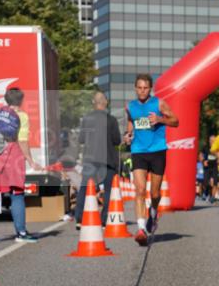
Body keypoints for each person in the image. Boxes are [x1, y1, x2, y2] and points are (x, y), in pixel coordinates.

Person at [0, 87, 41, 244]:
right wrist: (31, 161)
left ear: (6, 100)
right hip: (13, 158)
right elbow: (23, 141)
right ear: (21, 101)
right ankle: (21, 233)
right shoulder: (21, 116)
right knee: (17, 195)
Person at [124, 74, 178, 245]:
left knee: (154, 193)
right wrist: (128, 135)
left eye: (145, 88)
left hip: (157, 151)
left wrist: (160, 119)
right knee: (139, 190)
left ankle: (153, 212)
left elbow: (176, 121)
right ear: (135, 88)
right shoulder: (130, 106)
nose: (142, 91)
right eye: (139, 87)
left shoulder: (158, 103)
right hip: (138, 151)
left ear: (150, 89)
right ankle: (141, 229)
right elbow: (131, 123)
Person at [73, 91, 122, 228]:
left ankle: (80, 219)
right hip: (107, 160)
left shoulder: (86, 119)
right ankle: (104, 220)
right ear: (105, 103)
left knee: (85, 188)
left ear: (93, 103)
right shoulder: (111, 120)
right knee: (108, 191)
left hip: (90, 159)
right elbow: (116, 140)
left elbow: (82, 139)